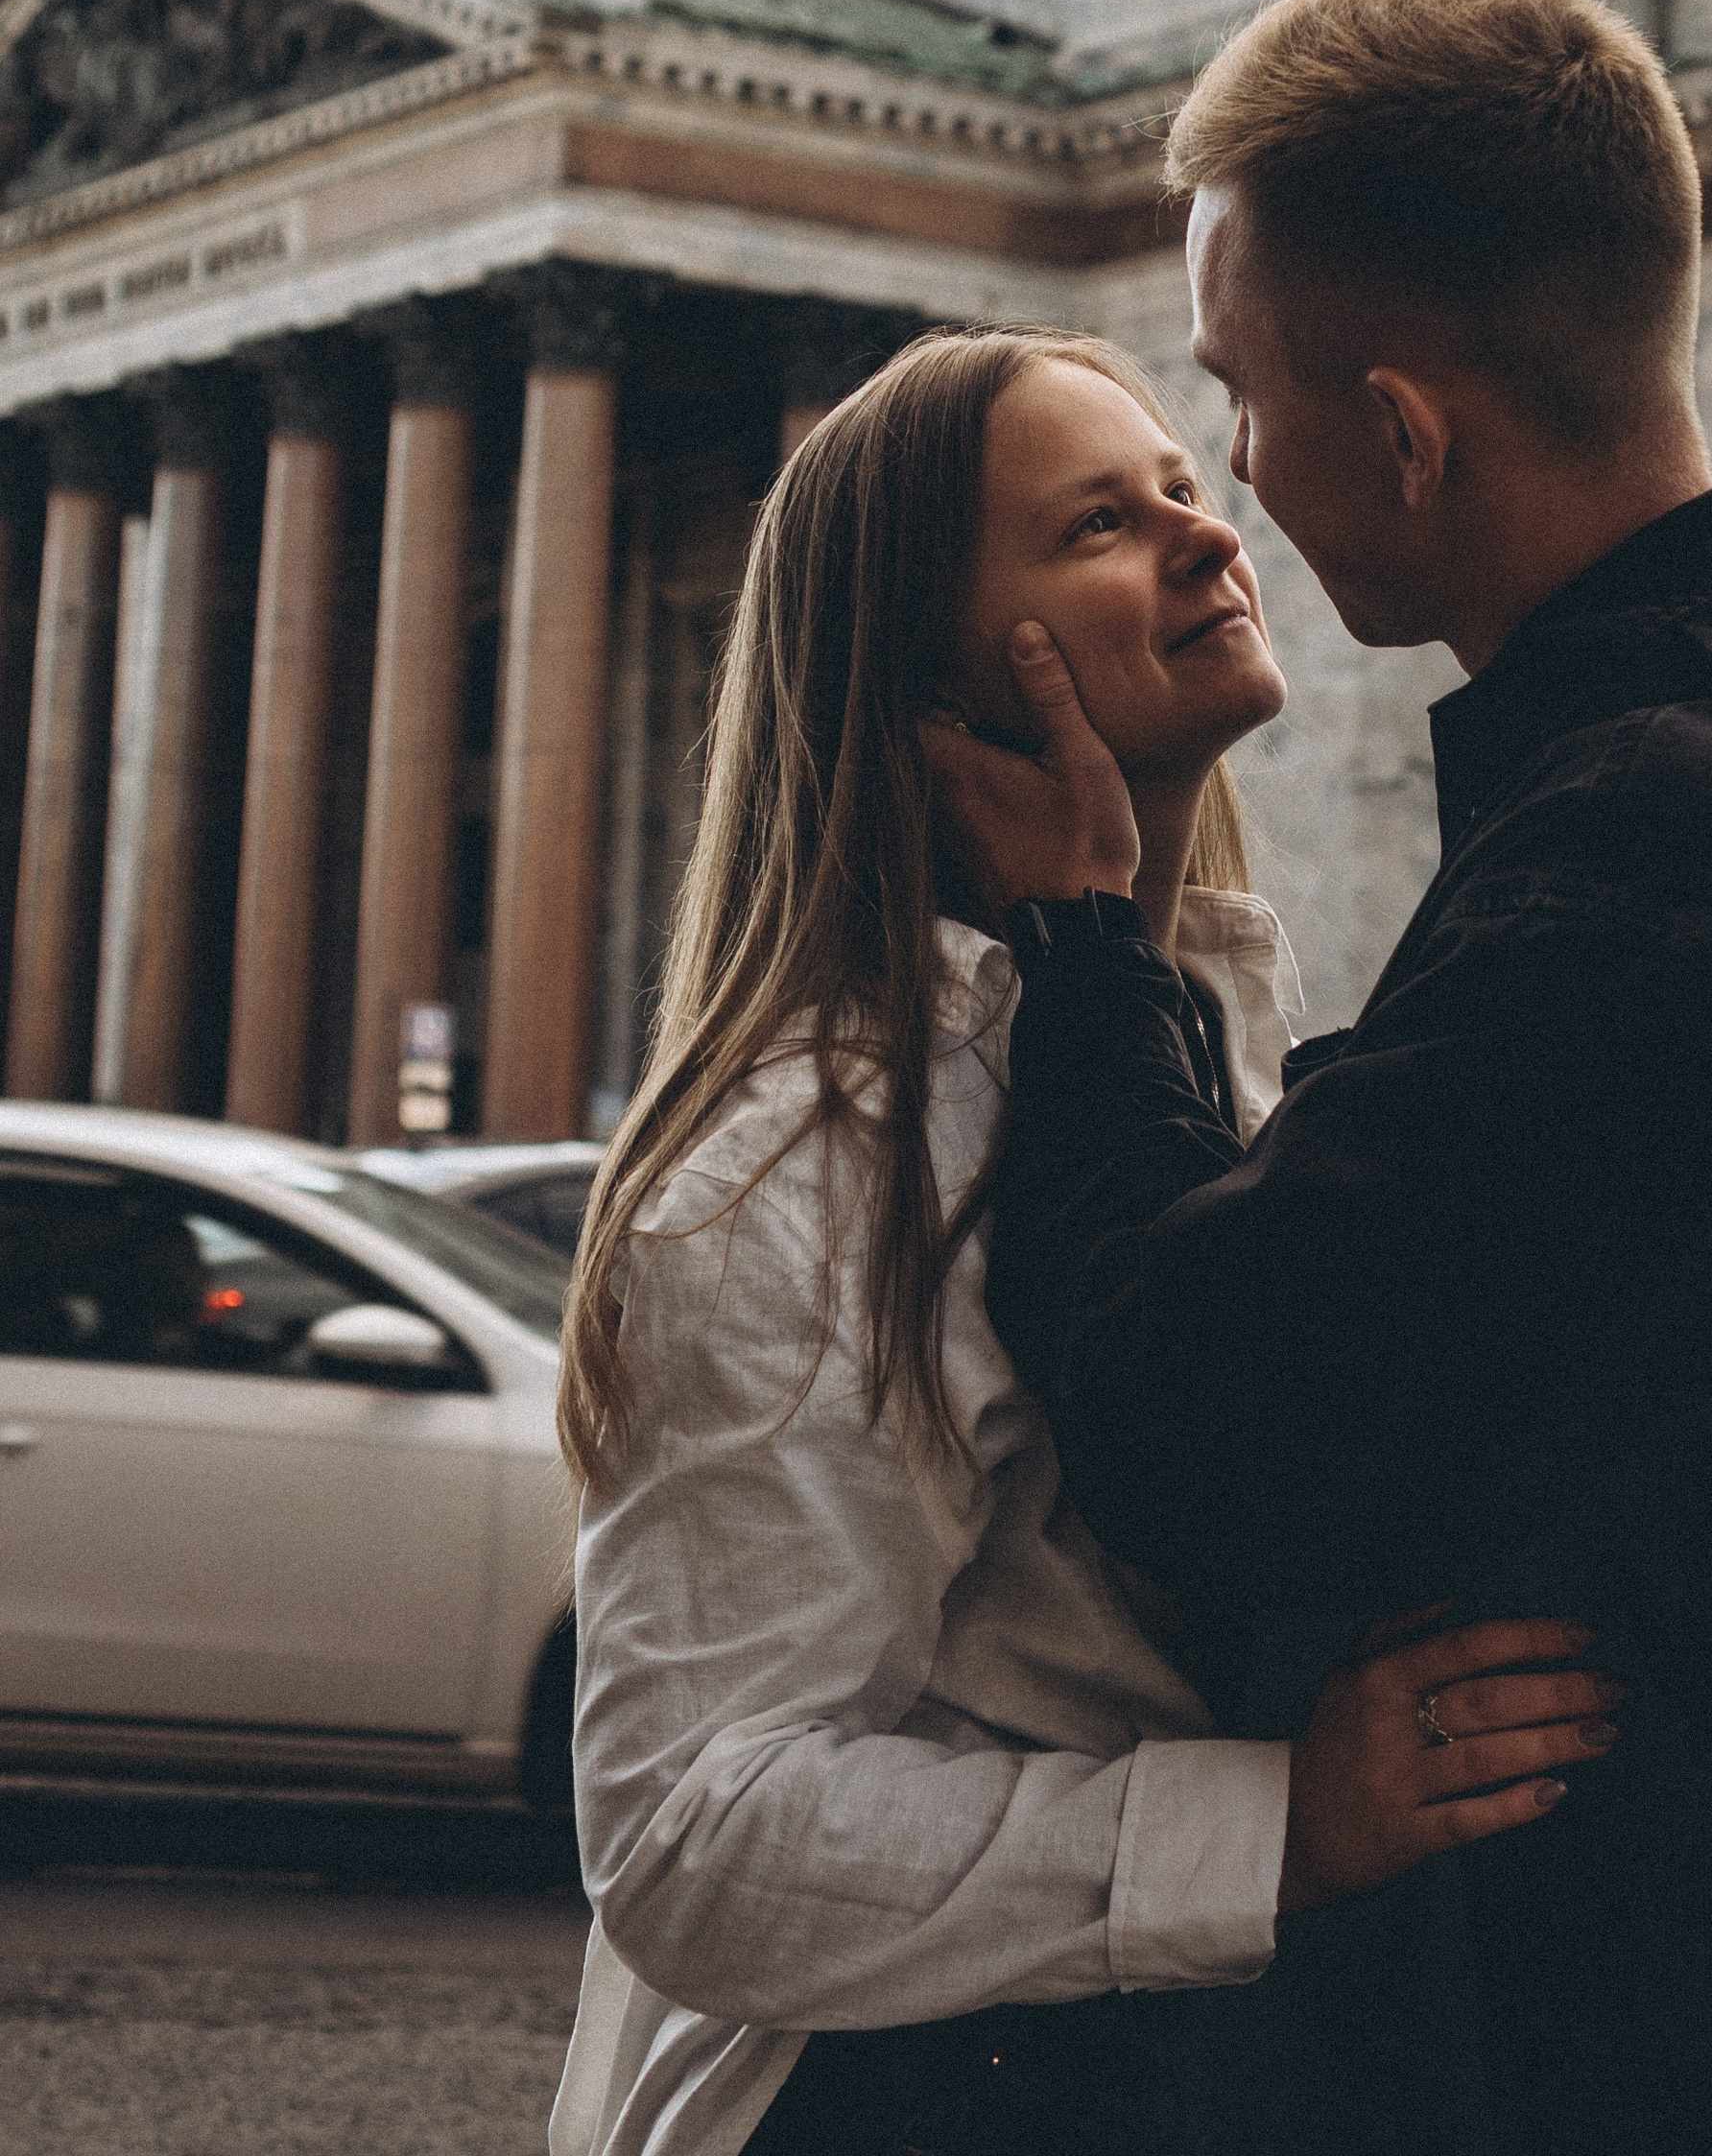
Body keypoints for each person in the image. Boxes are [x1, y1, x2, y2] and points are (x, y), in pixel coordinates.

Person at [932, 0, 1712, 2156]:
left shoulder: (1664, 844)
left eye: (1231, 391)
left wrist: (1079, 936)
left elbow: (1195, 1421)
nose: (1226, 473)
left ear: (1403, 429)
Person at [550, 324, 1622, 2156]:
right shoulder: (810, 1151)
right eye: (1099, 526)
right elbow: (689, 1833)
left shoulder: (1186, 1038)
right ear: (939, 689)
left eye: (1189, 492)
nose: (1208, 539)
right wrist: (1276, 1825)